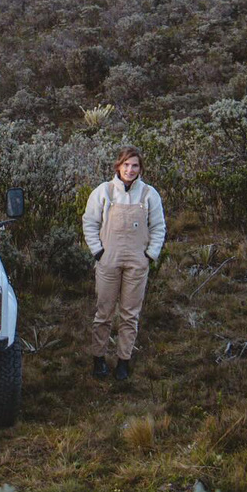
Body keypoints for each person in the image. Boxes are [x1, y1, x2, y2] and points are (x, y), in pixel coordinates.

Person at [82, 145, 166, 381]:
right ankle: (98, 359)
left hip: (137, 262)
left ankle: (123, 361)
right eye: (126, 165)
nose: (130, 170)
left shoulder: (150, 194)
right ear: (118, 166)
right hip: (108, 260)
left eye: (135, 165)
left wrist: (150, 255)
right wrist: (98, 252)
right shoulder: (104, 192)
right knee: (104, 311)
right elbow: (89, 222)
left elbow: (158, 227)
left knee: (130, 314)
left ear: (141, 168)